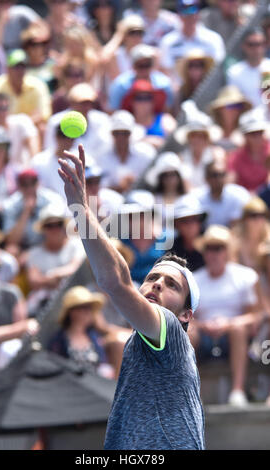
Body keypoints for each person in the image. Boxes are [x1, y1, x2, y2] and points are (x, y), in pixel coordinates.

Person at [58, 143, 205, 449]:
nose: (158, 284)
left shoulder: (170, 329)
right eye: (152, 277)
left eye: (172, 285)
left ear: (185, 315)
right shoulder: (139, 340)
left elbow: (115, 281)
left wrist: (81, 210)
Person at [191, 225, 264, 407]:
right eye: (209, 248)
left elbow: (256, 313)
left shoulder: (245, 276)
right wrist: (203, 326)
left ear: (227, 251)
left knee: (238, 329)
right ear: (204, 252)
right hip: (203, 335)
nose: (213, 253)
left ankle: (237, 391)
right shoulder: (194, 279)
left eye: (218, 248)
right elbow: (186, 317)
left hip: (236, 336)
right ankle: (192, 394)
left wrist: (229, 324)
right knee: (187, 333)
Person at [26, 203, 85, 314]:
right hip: (44, 306)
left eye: (58, 224)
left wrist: (53, 275)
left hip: (74, 303)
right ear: (43, 229)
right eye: (49, 225)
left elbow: (75, 268)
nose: (54, 229)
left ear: (63, 226)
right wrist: (55, 280)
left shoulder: (77, 245)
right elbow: (33, 281)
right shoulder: (34, 253)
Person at [48, 285, 116, 378]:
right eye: (84, 307)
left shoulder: (94, 337)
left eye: (89, 308)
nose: (88, 312)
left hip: (95, 386)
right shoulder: (59, 339)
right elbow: (54, 366)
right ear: (72, 312)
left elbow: (103, 364)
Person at [0, 49, 52, 132]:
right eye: (16, 67)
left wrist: (18, 126)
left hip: (30, 133)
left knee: (42, 128)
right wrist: (21, 125)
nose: (20, 71)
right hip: (2, 135)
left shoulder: (38, 86)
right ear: (7, 69)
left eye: (23, 66)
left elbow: (44, 115)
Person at [160, 0, 225, 82]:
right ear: (179, 16)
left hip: (206, 87)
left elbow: (217, 67)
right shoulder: (168, 41)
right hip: (179, 90)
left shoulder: (213, 38)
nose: (189, 18)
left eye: (192, 14)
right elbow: (167, 70)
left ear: (198, 15)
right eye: (185, 15)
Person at [3, 168, 65, 252]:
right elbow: (11, 241)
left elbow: (59, 230)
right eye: (25, 184)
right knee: (11, 250)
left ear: (38, 183)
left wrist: (35, 252)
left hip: (48, 245)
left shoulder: (52, 199)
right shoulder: (10, 205)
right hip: (24, 248)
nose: (29, 188)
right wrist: (26, 212)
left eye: (32, 183)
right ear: (19, 186)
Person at [98, 110, 155, 193]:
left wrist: (136, 183)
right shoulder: (102, 157)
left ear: (131, 134)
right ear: (112, 134)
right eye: (117, 133)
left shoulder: (146, 154)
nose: (121, 138)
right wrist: (120, 187)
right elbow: (99, 188)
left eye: (125, 133)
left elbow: (153, 183)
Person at [0, 92, 39, 166]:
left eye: (5, 108)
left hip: (22, 173)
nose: (2, 112)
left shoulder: (22, 121)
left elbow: (33, 144)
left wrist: (34, 166)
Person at [108, 43, 174, 111]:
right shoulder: (120, 85)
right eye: (140, 65)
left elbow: (168, 110)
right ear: (133, 66)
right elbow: (113, 111)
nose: (144, 69)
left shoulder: (164, 84)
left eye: (147, 64)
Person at [192, 158, 251, 227]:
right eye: (214, 175)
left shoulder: (238, 195)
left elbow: (237, 225)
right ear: (206, 178)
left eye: (222, 175)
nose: (218, 179)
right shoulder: (197, 198)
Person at [121, 79, 176, 149]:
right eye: (139, 98)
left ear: (153, 101)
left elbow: (176, 143)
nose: (143, 102)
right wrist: (144, 141)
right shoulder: (127, 122)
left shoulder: (165, 120)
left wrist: (159, 143)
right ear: (132, 102)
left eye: (148, 98)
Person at [174, 112, 223, 189]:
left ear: (207, 138)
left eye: (201, 136)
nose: (197, 140)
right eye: (193, 136)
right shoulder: (181, 158)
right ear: (188, 138)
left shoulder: (216, 155)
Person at [228, 109, 270, 192]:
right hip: (244, 200)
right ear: (245, 136)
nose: (257, 137)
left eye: (260, 132)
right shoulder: (236, 158)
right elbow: (231, 183)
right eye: (253, 134)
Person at [226, 28, 270, 107]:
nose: (256, 48)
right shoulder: (234, 72)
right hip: (247, 118)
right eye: (251, 44)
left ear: (265, 45)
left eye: (259, 44)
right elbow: (234, 102)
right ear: (243, 46)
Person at [145, 152, 187, 227]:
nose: (169, 179)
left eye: (172, 175)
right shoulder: (153, 200)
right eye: (165, 176)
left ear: (178, 177)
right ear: (160, 178)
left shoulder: (187, 199)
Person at [208, 85, 251, 151]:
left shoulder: (248, 132)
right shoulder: (209, 133)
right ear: (220, 109)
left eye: (238, 106)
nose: (234, 110)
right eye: (230, 106)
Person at [172, 194, 206, 272]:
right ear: (176, 224)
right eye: (184, 220)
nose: (190, 225)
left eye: (194, 219)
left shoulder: (211, 244)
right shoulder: (172, 250)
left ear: (200, 221)